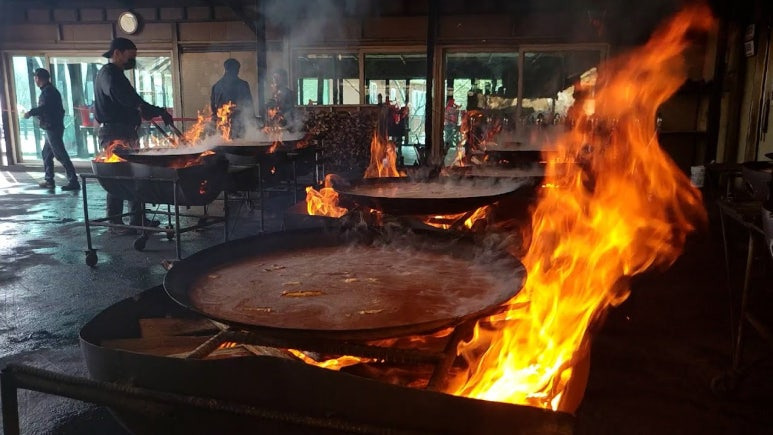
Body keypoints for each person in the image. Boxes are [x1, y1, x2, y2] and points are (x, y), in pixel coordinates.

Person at [94, 37, 173, 232]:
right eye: (130, 56)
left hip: (125, 130)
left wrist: (152, 110)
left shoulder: (117, 74)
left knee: (133, 175)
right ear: (117, 53)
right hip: (114, 132)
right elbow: (121, 95)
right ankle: (115, 221)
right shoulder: (109, 73)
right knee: (118, 176)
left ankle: (137, 219)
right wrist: (140, 107)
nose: (133, 61)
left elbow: (132, 99)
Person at [24, 68, 80, 191]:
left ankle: (73, 181)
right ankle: (49, 180)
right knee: (46, 154)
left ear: (38, 78)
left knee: (60, 155)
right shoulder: (49, 91)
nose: (35, 80)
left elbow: (44, 108)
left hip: (52, 128)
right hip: (51, 127)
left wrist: (30, 113)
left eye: (35, 78)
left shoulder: (48, 92)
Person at [210, 58, 254, 138]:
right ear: (235, 70)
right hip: (239, 125)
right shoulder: (243, 85)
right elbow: (249, 105)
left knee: (224, 147)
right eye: (237, 69)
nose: (237, 72)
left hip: (222, 126)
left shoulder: (216, 86)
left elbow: (213, 109)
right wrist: (252, 122)